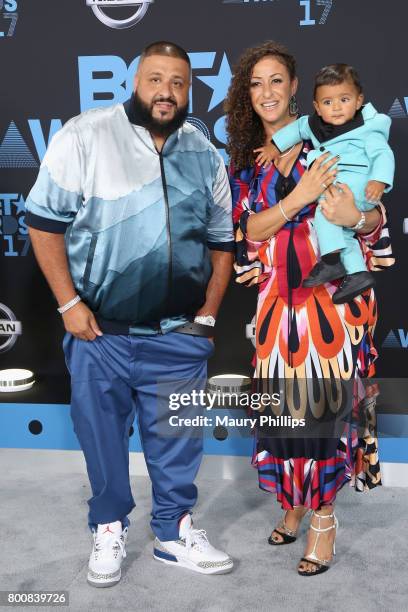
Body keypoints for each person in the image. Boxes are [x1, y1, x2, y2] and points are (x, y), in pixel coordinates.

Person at [26, 41, 234, 587]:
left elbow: (220, 241)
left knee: (177, 442)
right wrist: (69, 305)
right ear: (135, 82)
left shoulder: (204, 153)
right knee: (101, 439)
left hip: (178, 336)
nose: (166, 92)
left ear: (191, 90)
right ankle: (110, 526)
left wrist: (208, 316)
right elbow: (43, 222)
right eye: (155, 79)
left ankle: (173, 530)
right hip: (101, 334)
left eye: (179, 83)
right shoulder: (85, 134)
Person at [225, 41, 390, 576]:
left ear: (297, 89)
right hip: (277, 311)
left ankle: (323, 519)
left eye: (277, 81)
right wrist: (296, 201)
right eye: (256, 83)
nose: (267, 92)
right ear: (245, 95)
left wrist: (360, 216)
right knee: (282, 414)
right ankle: (292, 502)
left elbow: (371, 217)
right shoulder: (251, 163)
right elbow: (248, 231)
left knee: (323, 417)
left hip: (334, 307)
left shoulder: (333, 136)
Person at [256, 63, 395, 304]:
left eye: (344, 99)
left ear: (359, 100)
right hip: (336, 183)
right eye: (328, 103)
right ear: (317, 107)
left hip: (355, 184)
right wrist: (273, 147)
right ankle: (357, 273)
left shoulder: (367, 128)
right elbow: (297, 129)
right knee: (342, 232)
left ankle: (330, 262)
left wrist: (379, 180)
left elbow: (383, 154)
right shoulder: (314, 124)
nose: (337, 108)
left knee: (325, 212)